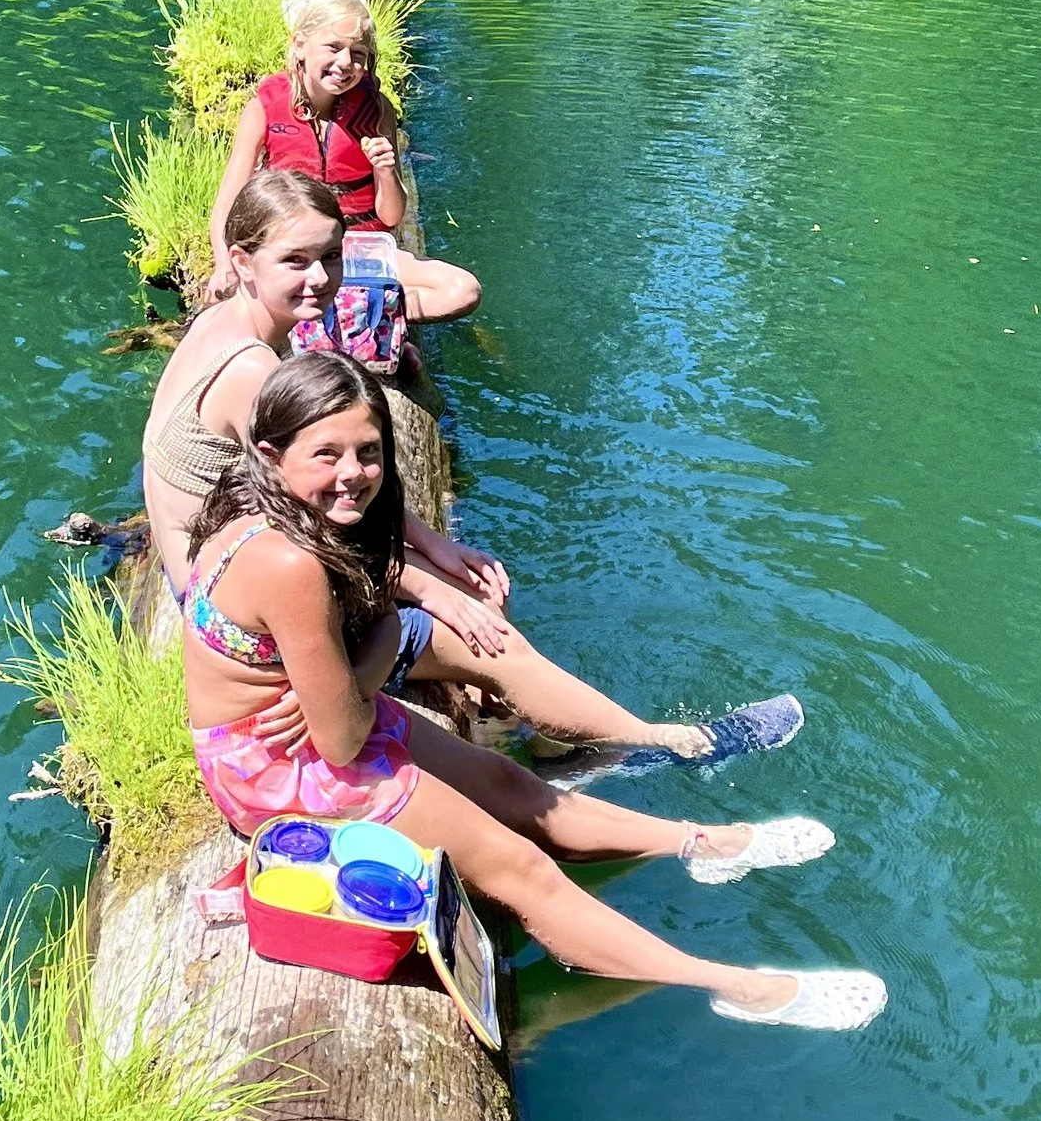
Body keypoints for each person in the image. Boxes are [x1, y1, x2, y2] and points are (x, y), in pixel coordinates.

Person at [180, 353, 884, 1030]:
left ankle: (702, 841)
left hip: (311, 728)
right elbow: (338, 736)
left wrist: (380, 640)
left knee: (510, 784)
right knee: (521, 869)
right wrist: (392, 634)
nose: (355, 474)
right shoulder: (287, 562)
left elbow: (333, 695)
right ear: (272, 455)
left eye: (369, 451)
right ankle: (738, 986)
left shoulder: (256, 509)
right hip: (283, 766)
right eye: (326, 454)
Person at [144, 170, 798, 762]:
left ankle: (531, 727)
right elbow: (321, 513)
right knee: (481, 624)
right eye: (296, 260)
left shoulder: (224, 326)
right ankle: (670, 745)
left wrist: (433, 546)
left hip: (228, 592)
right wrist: (435, 590)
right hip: (247, 620)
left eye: (330, 256)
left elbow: (311, 499)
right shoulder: (256, 372)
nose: (320, 277)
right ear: (243, 260)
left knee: (467, 588)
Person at [207, 0, 480, 325]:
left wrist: (386, 170)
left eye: (357, 54)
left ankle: (366, 312)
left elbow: (391, 216)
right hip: (295, 251)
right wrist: (223, 264)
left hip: (358, 251)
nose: (344, 63)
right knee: (226, 308)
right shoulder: (264, 109)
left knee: (463, 290)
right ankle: (355, 313)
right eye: (332, 47)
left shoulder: (377, 110)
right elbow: (228, 202)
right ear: (300, 46)